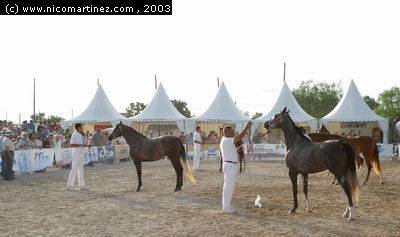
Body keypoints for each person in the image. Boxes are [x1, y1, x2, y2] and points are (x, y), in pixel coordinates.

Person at [220, 121, 252, 213]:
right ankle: (226, 207)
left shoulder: (225, 140)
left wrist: (237, 150)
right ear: (226, 133)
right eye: (232, 132)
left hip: (230, 164)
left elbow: (234, 145)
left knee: (229, 186)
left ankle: (227, 205)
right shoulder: (226, 140)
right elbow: (238, 138)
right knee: (228, 187)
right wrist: (246, 127)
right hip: (230, 165)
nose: (234, 133)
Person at [66, 123, 90, 191]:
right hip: (76, 154)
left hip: (81, 154)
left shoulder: (81, 135)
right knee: (74, 170)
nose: (82, 128)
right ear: (79, 128)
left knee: (81, 170)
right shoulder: (74, 135)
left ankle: (82, 185)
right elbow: (72, 144)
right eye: (82, 127)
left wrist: (86, 145)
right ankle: (69, 185)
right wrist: (81, 145)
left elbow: (82, 144)